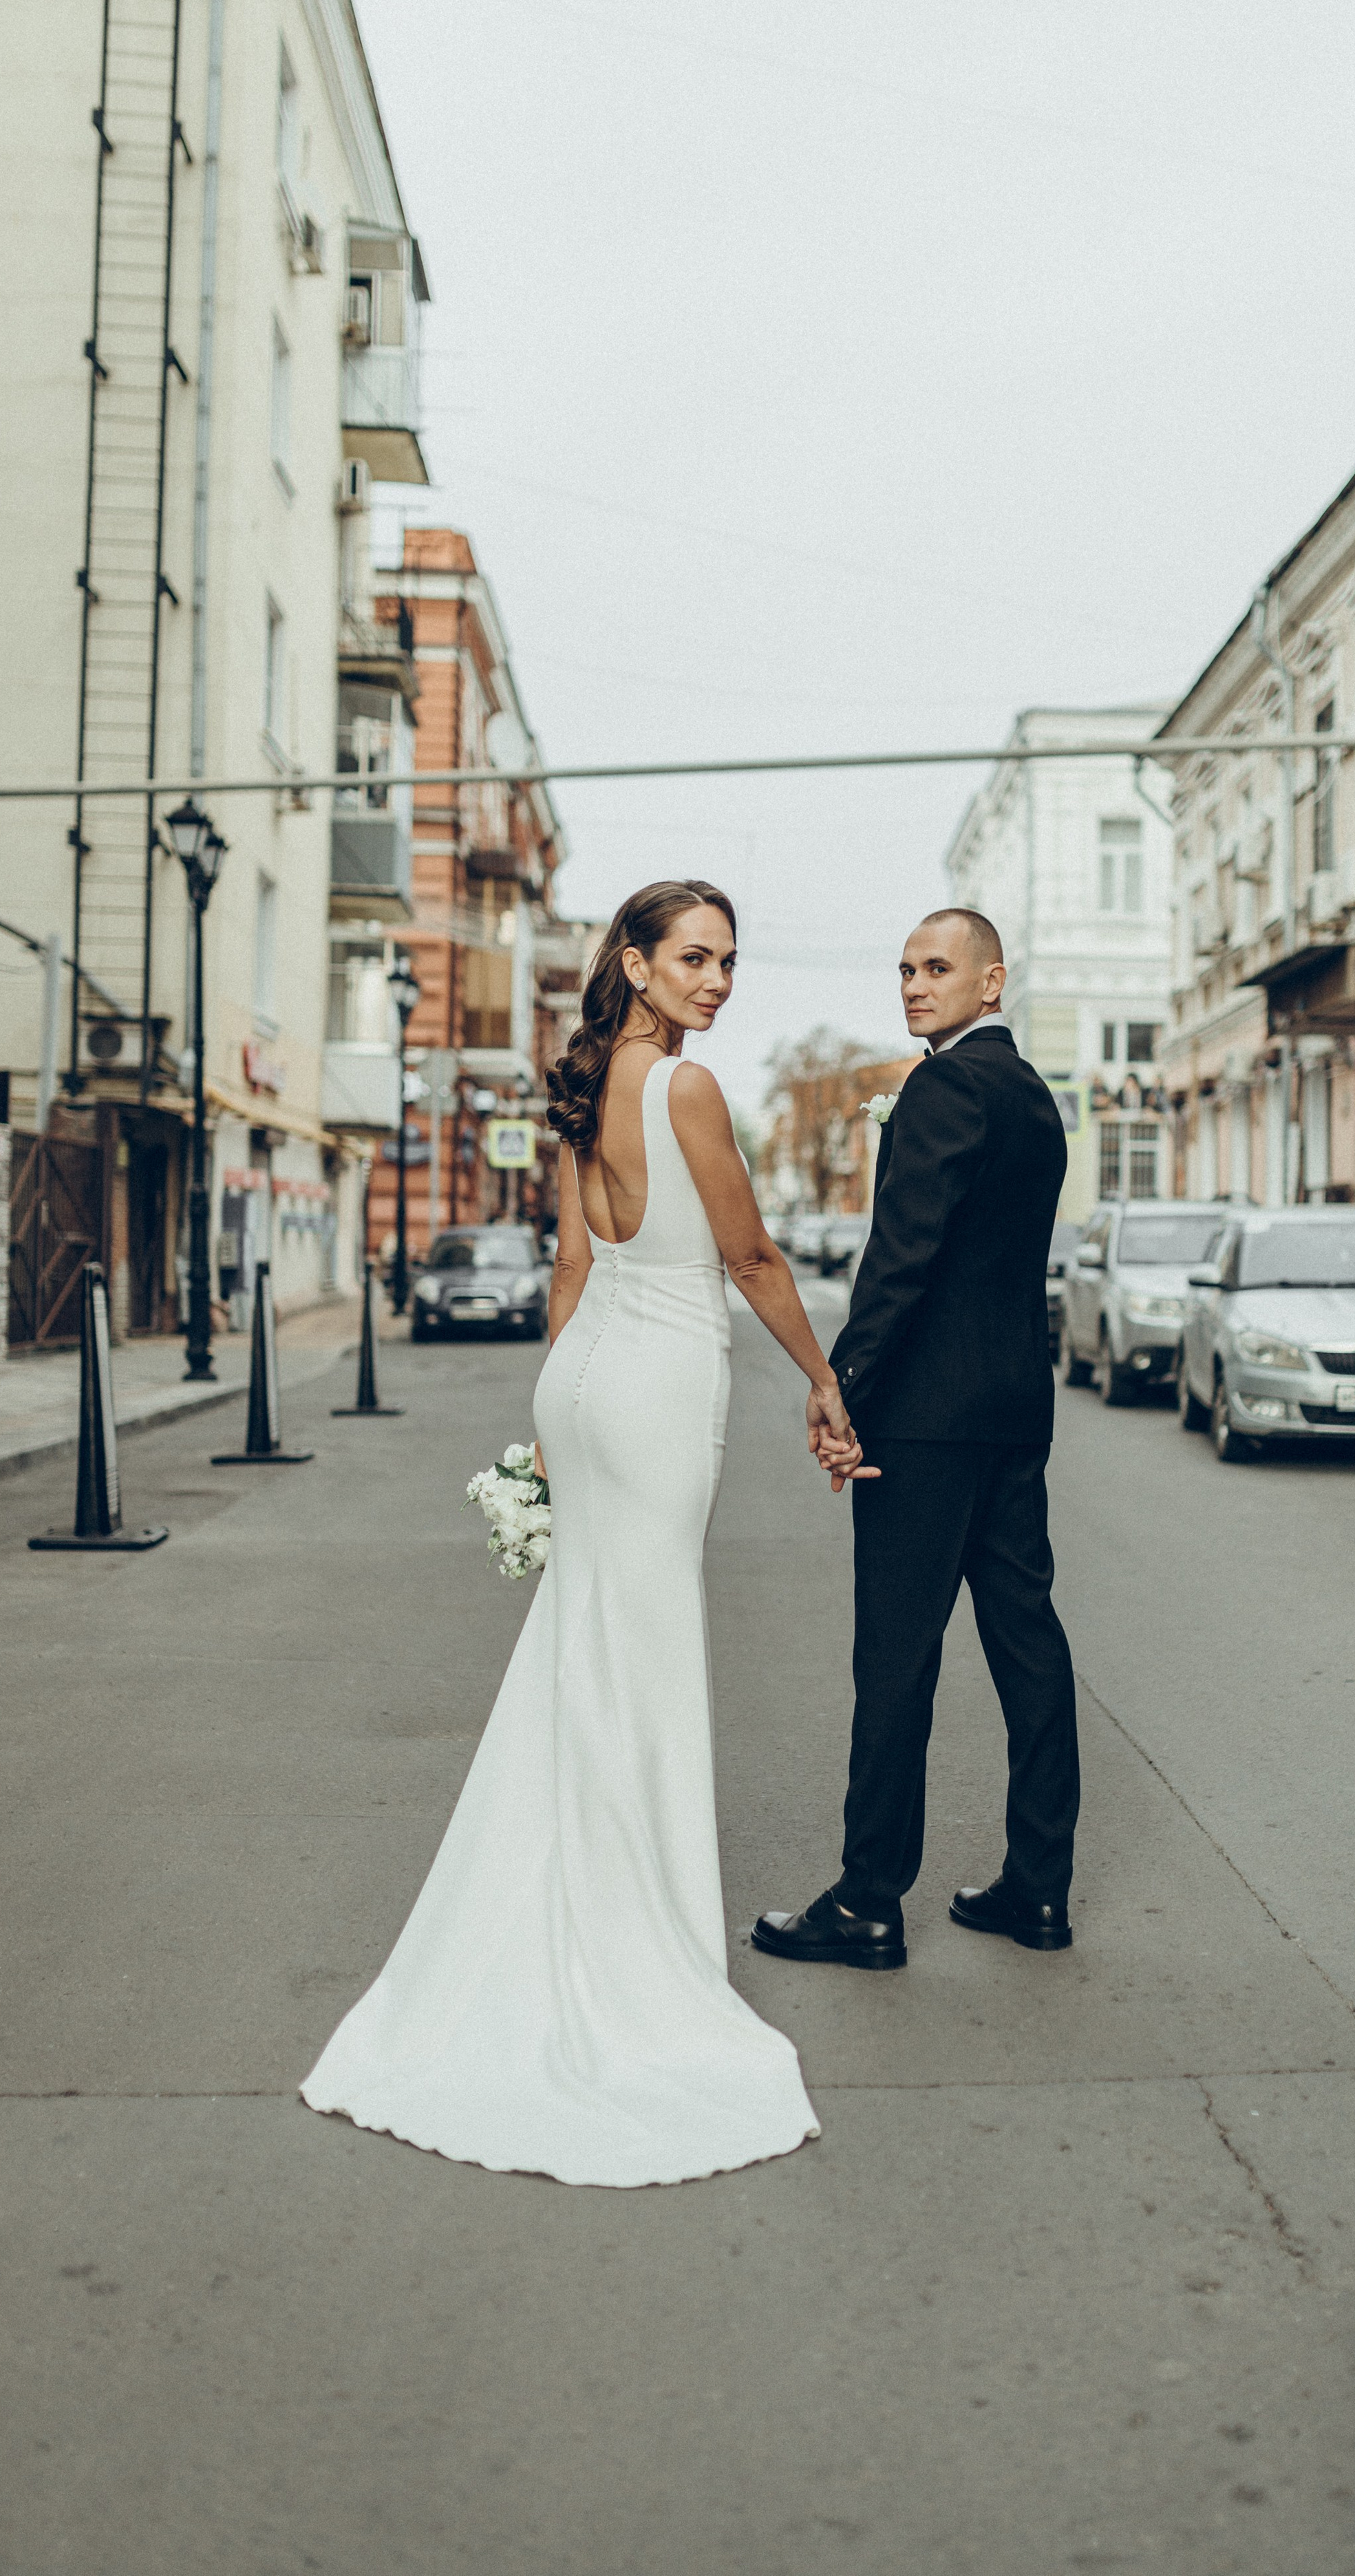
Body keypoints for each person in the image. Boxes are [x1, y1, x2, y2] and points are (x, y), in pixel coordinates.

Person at [301, 880, 868, 2185]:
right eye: (695, 958)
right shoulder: (683, 1090)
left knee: (585, 1649)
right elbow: (755, 1259)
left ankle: (569, 1907)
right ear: (637, 962)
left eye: (731, 960)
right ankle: (636, 1950)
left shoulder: (580, 1089)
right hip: (663, 1390)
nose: (718, 982)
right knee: (648, 1654)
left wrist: (552, 1421)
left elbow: (569, 1269)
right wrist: (826, 1384)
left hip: (588, 1373)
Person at [751, 908, 1078, 1973]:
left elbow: (904, 1258)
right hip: (1013, 1415)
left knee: (896, 1659)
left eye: (937, 968)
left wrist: (842, 1385)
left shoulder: (942, 1089)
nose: (914, 985)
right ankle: (1038, 1887)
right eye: (904, 969)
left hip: (928, 1423)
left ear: (993, 983)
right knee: (1027, 1641)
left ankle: (868, 1900)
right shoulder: (1035, 1098)